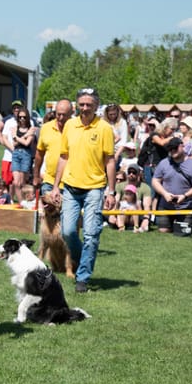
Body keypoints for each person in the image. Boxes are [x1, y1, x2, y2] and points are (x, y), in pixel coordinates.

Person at [50, 87, 116, 293]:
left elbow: (110, 160)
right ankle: (81, 260)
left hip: (95, 188)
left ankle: (83, 277)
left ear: (96, 106)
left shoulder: (104, 128)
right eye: (82, 104)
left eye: (89, 104)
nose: (85, 108)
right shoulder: (70, 125)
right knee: (68, 232)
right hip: (70, 187)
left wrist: (111, 191)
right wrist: (55, 186)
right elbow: (63, 156)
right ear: (77, 105)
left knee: (91, 234)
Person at [151, 137, 192, 234]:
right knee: (163, 231)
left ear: (182, 146)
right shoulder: (163, 163)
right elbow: (155, 180)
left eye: (175, 148)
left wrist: (185, 196)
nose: (172, 151)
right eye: (170, 149)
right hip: (165, 205)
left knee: (184, 232)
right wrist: (165, 194)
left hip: (185, 206)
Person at [33, 99, 72, 197]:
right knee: (49, 206)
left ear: (71, 113)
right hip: (49, 181)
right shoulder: (46, 128)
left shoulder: (76, 128)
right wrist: (36, 176)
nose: (61, 118)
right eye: (58, 114)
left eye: (64, 115)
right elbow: (39, 154)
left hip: (71, 183)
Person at [5, 107, 37, 203]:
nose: (22, 119)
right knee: (16, 182)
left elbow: (27, 143)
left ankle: (24, 202)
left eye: (24, 117)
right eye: (20, 117)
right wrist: (25, 135)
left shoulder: (31, 128)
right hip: (16, 154)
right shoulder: (15, 128)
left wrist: (17, 137)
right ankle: (21, 202)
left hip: (26, 154)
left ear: (27, 117)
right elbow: (14, 143)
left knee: (23, 182)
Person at [111, 163, 152, 232]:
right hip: (123, 214)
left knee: (134, 211)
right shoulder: (120, 186)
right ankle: (121, 226)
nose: (131, 174)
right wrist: (112, 214)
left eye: (134, 172)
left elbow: (147, 205)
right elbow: (116, 201)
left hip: (136, 215)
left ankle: (135, 226)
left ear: (138, 174)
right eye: (129, 172)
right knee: (120, 213)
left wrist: (146, 219)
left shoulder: (145, 187)